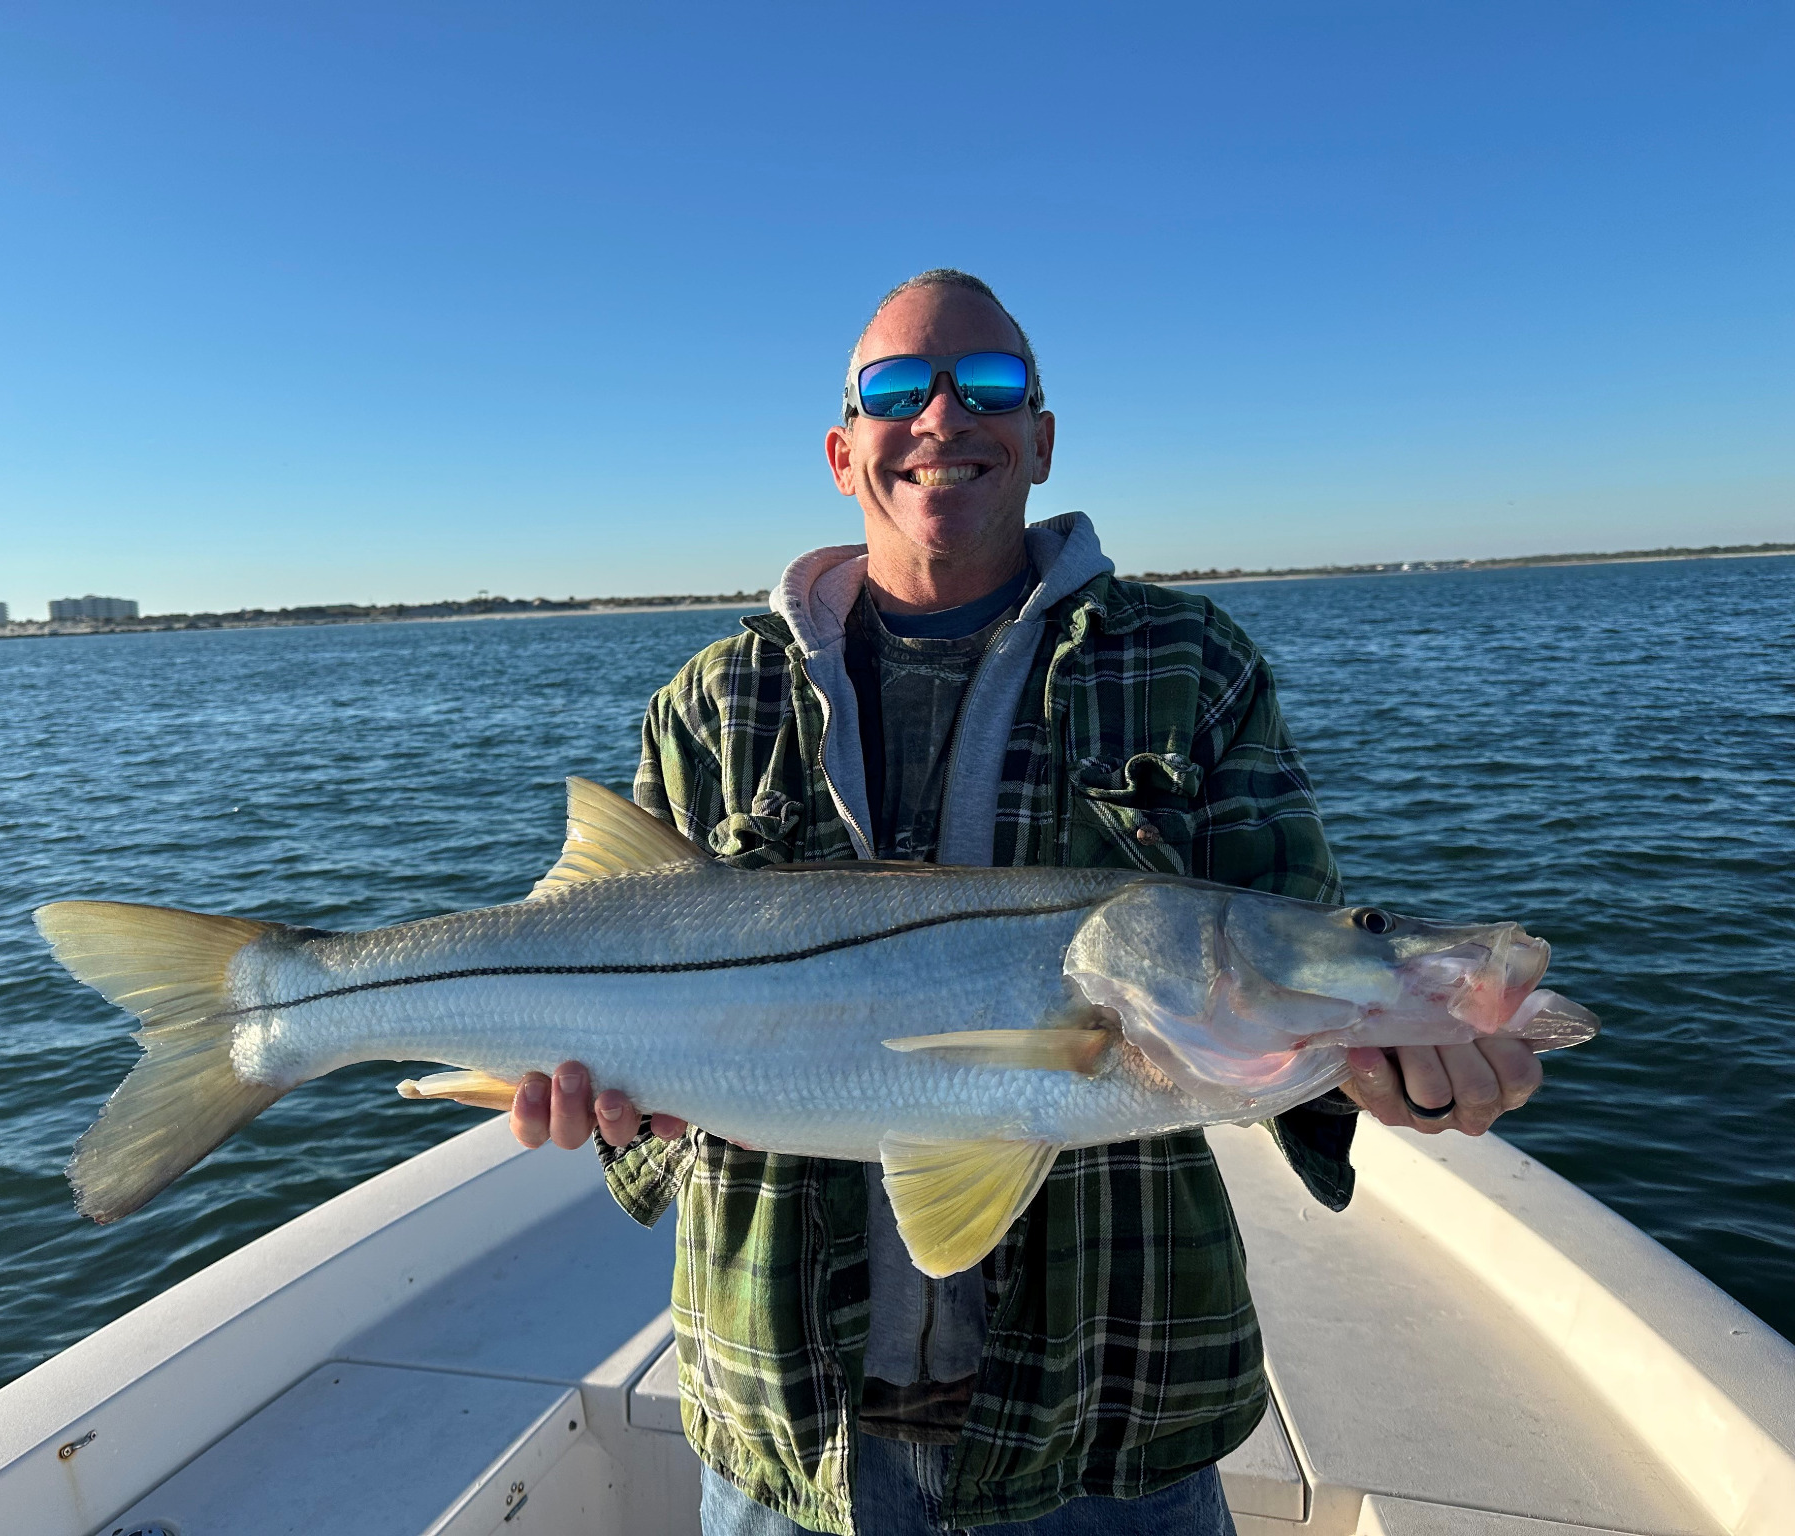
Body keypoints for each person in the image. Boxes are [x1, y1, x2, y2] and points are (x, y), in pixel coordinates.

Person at [509, 270, 1544, 1535]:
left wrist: (1381, 1068)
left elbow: (1297, 946)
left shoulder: (1185, 661)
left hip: (1111, 1424)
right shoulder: (711, 701)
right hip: (786, 1427)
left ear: (1041, 439)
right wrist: (606, 1115)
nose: (942, 417)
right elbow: (631, 1026)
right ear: (845, 453)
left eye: (986, 385)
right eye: (898, 391)